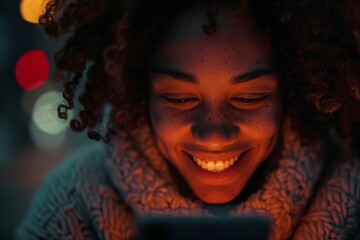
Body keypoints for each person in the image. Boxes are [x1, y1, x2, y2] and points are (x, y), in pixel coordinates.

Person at [17, 0, 360, 239]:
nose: (214, 134)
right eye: (179, 99)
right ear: (140, 93)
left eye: (250, 98)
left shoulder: (352, 205)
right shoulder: (72, 207)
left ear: (293, 91)